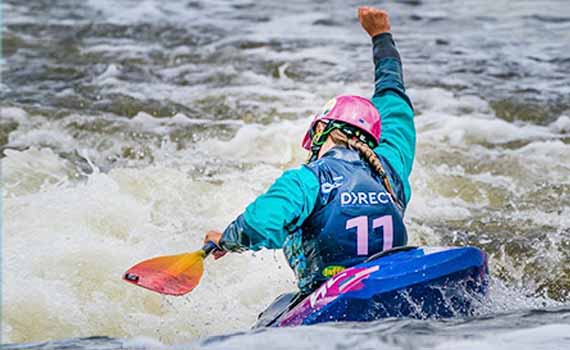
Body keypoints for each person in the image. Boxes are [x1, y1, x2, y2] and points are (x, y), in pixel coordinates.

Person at [204, 6, 415, 326]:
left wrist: (227, 240)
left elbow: (261, 224)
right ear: (373, 137)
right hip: (394, 284)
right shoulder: (391, 168)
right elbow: (394, 97)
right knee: (281, 302)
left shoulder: (307, 180)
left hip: (331, 302)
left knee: (273, 313)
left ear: (320, 132)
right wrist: (381, 37)